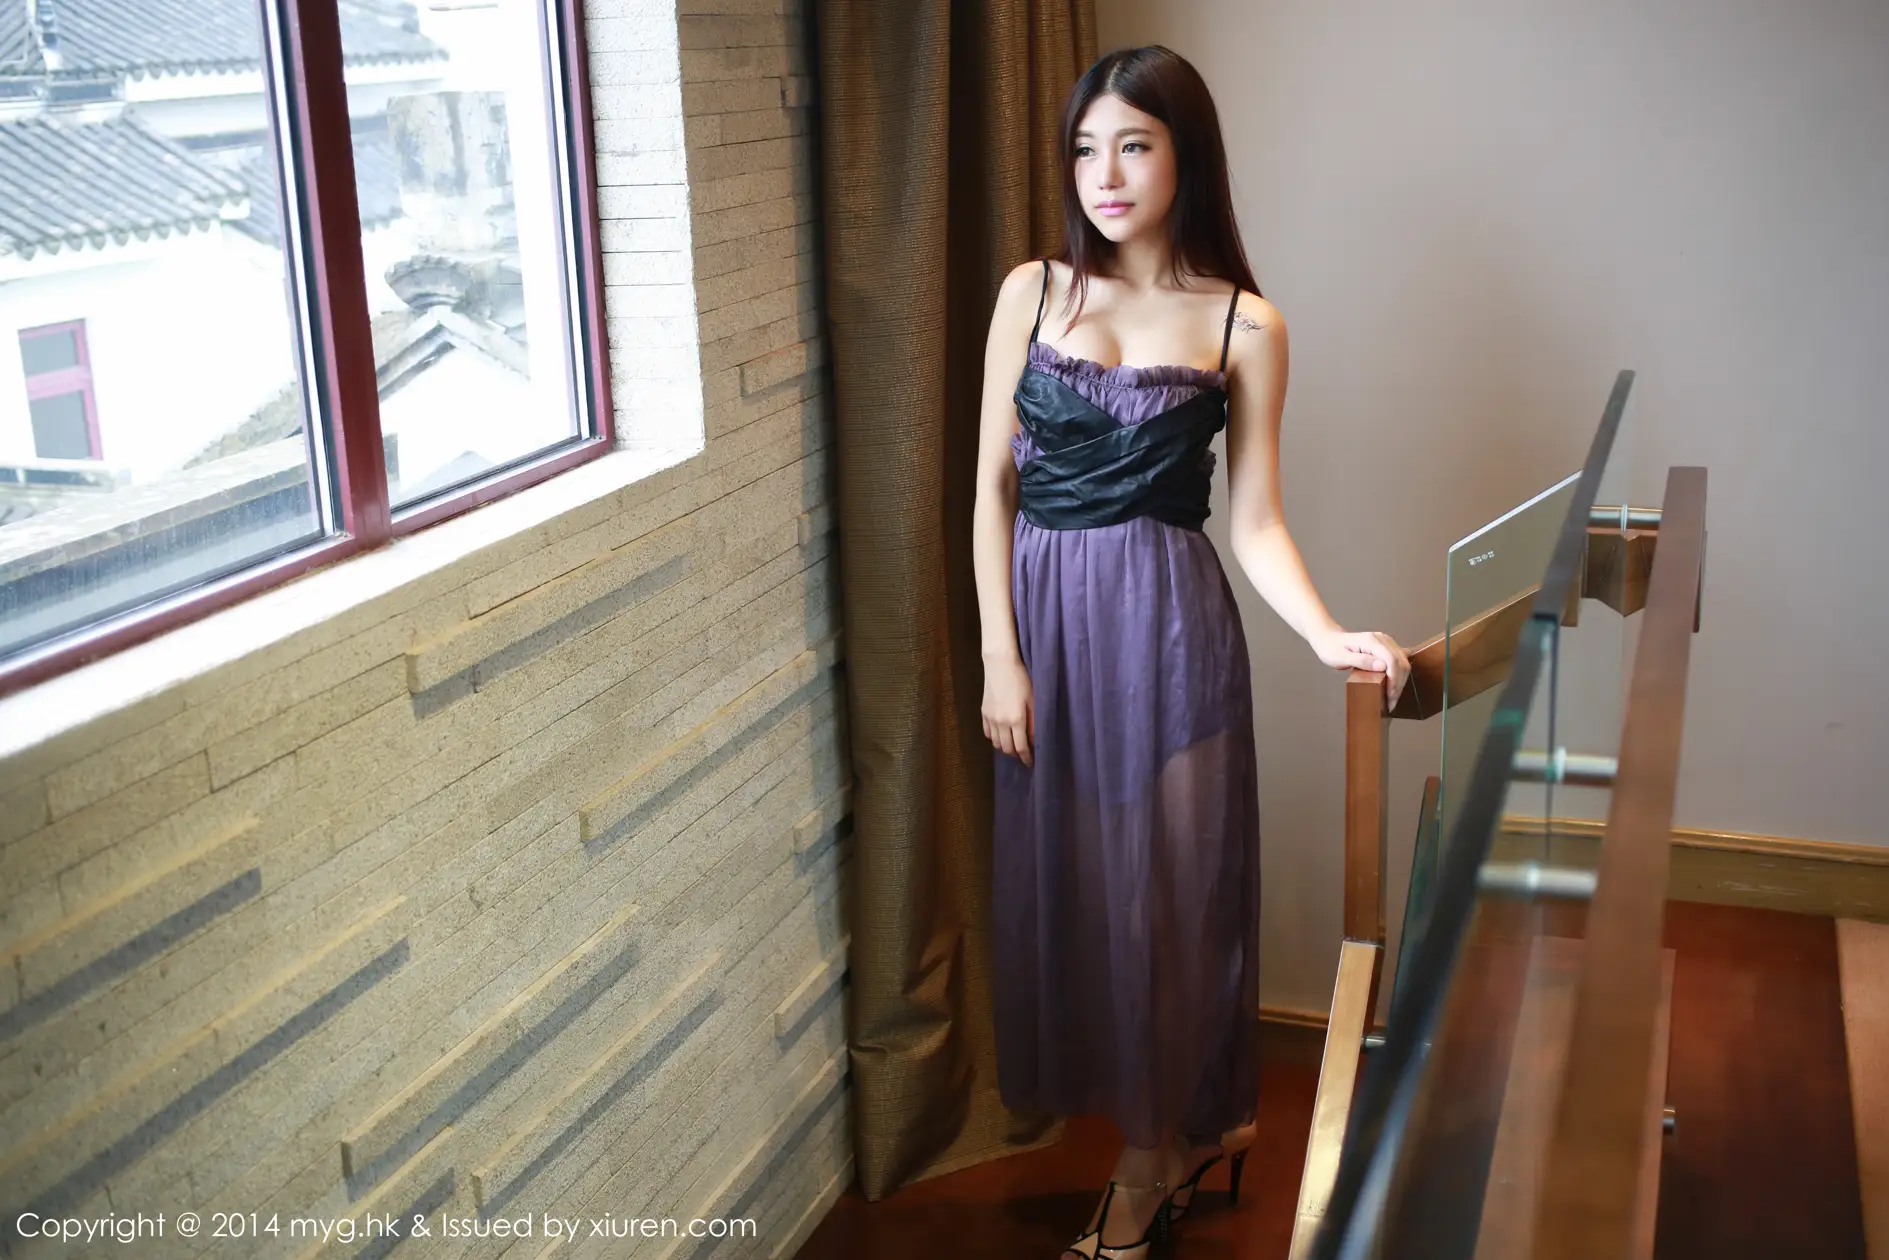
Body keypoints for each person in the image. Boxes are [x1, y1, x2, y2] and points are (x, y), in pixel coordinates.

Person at [971, 45, 1411, 1259]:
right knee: (1080, 893)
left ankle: (1152, 1156)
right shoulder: (1029, 292)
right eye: (1084, 149)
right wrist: (999, 656)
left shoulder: (1244, 324)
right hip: (1046, 633)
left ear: (1185, 155)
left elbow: (1254, 519)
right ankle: (1174, 1139)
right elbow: (989, 488)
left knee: (1172, 897)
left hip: (1171, 637)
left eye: (1134, 145)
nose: (1103, 174)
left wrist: (1325, 633)